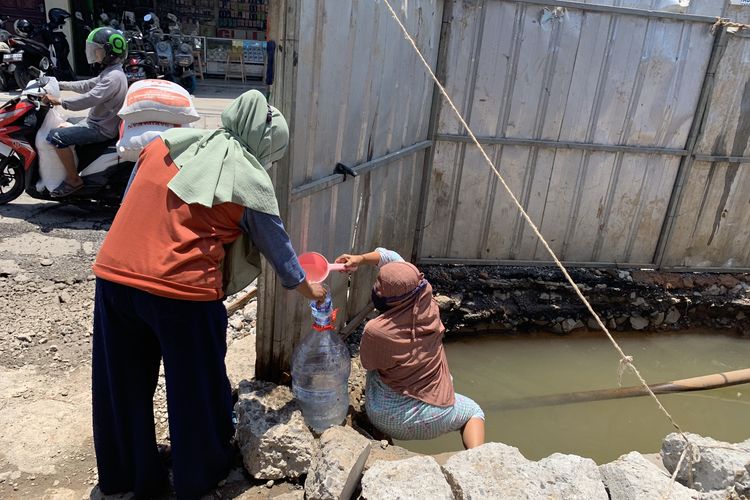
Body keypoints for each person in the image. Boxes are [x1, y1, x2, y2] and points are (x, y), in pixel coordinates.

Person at [90, 90, 326, 499]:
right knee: (195, 389)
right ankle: (196, 475)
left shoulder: (164, 145)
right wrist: (311, 288)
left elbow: (131, 205)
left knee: (122, 386)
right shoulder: (248, 176)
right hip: (183, 293)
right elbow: (282, 255)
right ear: (267, 145)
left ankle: (130, 476)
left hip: (114, 277)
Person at [336, 248, 485, 449]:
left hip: (386, 416)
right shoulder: (427, 299)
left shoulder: (376, 330)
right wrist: (360, 259)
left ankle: (383, 441)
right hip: (435, 417)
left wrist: (360, 259)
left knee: (376, 371)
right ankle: (478, 460)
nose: (377, 287)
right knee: (474, 412)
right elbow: (392, 259)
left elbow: (368, 363)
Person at [42, 27, 128, 197]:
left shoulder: (113, 77)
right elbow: (87, 85)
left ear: (109, 52)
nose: (95, 54)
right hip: (97, 122)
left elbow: (90, 98)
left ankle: (73, 180)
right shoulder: (111, 72)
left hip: (100, 129)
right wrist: (60, 84)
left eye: (97, 50)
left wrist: (60, 100)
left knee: (55, 136)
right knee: (64, 122)